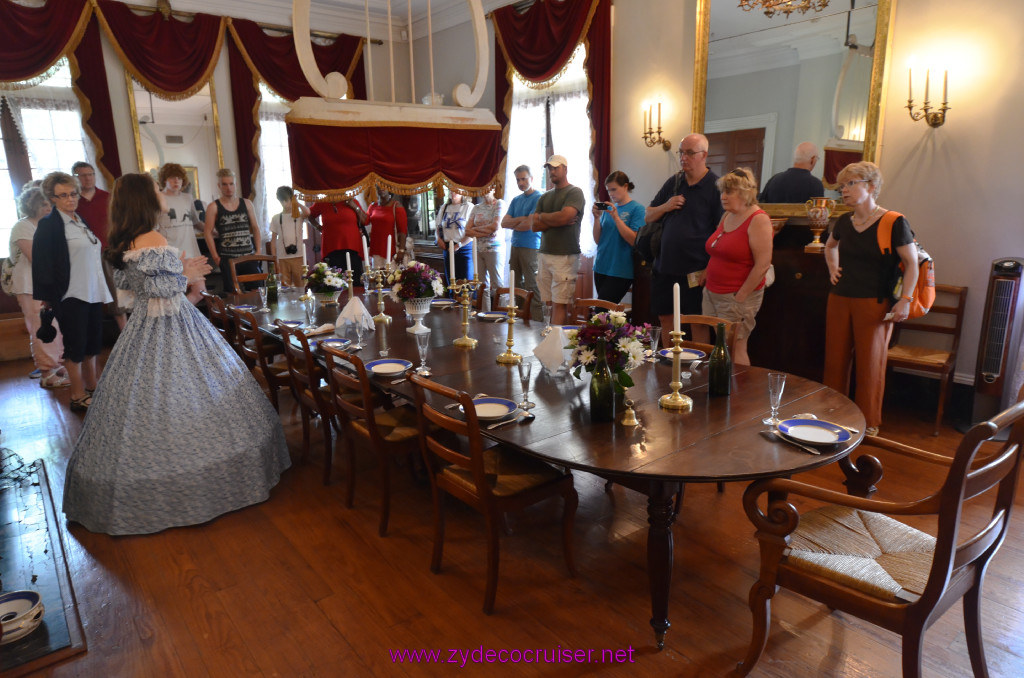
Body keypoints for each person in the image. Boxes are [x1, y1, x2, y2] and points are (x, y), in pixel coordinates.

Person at [61, 172, 290, 535]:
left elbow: (144, 298)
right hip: (172, 330)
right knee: (189, 397)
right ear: (145, 199)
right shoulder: (153, 238)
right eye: (155, 188)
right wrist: (186, 275)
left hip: (142, 331)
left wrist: (185, 280)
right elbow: (168, 300)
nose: (161, 193)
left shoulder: (126, 241)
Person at [823, 161, 918, 437]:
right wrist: (833, 268)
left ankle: (869, 421)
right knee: (835, 360)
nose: (844, 191)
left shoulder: (894, 221)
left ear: (872, 186)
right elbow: (830, 247)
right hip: (840, 298)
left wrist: (906, 300)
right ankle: (832, 413)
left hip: (875, 301)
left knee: (870, 362)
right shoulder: (843, 221)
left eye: (851, 184)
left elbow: (911, 263)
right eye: (842, 186)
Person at [32, 171, 113, 412]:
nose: (70, 199)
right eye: (63, 195)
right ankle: (77, 395)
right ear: (52, 198)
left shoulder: (80, 220)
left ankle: (93, 386)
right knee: (76, 345)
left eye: (73, 193)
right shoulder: (49, 226)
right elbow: (42, 263)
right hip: (69, 295)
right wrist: (49, 298)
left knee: (93, 343)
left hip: (93, 291)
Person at [646, 134, 723, 344]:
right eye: (681, 152)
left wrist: (710, 268)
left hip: (696, 269)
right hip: (665, 265)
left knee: (696, 321)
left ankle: (699, 373)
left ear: (704, 155)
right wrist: (666, 206)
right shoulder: (674, 182)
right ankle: (667, 367)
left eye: (690, 153)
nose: (683, 157)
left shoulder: (715, 186)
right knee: (665, 318)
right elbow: (648, 215)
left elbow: (722, 231)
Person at [701, 168, 773, 365]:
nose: (723, 197)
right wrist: (707, 274)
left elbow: (762, 265)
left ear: (744, 192)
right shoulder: (727, 216)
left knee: (736, 347)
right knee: (723, 345)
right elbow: (717, 247)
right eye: (722, 191)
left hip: (737, 296)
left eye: (729, 192)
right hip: (713, 292)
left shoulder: (758, 219)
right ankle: (726, 389)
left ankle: (741, 393)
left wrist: (740, 297)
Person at [9, 186, 67, 388]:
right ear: (32, 206)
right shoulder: (23, 226)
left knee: (56, 326)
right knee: (42, 327)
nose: (48, 207)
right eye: (44, 204)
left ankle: (56, 363)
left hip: (48, 283)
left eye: (49, 203)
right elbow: (36, 257)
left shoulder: (48, 225)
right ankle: (46, 371)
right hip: (29, 284)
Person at [530, 155, 585, 325]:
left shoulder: (574, 192)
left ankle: (555, 346)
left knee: (559, 303)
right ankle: (550, 340)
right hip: (545, 253)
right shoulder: (545, 196)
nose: (552, 171)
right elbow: (534, 226)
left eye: (556, 168)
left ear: (565, 169)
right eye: (549, 168)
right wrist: (557, 220)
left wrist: (543, 217)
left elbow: (565, 217)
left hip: (565, 255)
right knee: (548, 303)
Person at [73, 160, 126, 331]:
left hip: (108, 252)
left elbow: (120, 222)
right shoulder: (72, 201)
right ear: (76, 178)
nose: (87, 178)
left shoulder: (108, 197)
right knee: (90, 296)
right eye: (83, 175)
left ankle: (125, 335)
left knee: (116, 296)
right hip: (84, 256)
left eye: (90, 174)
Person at [203, 168, 262, 295]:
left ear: (235, 184)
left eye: (231, 184)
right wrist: (215, 257)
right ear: (219, 186)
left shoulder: (247, 204)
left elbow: (256, 228)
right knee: (232, 295)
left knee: (256, 291)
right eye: (224, 184)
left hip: (248, 256)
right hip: (227, 258)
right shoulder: (213, 207)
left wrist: (258, 251)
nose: (228, 187)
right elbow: (207, 232)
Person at [591, 170, 646, 304]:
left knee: (601, 310)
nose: (611, 194)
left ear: (625, 186)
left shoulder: (637, 209)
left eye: (614, 189)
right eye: (609, 190)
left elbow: (634, 240)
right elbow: (598, 240)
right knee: (605, 315)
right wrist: (597, 219)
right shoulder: (609, 209)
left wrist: (616, 218)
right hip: (601, 266)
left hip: (621, 269)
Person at [157, 163, 206, 296]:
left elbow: (196, 222)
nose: (176, 181)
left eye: (179, 178)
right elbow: (153, 228)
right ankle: (178, 316)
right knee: (176, 294)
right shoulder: (158, 199)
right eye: (172, 178)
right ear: (164, 180)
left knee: (200, 292)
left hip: (192, 253)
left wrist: (213, 231)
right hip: (171, 255)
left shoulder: (187, 198)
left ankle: (183, 316)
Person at [500, 165, 543, 320]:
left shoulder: (539, 197)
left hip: (531, 247)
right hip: (515, 246)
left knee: (532, 286)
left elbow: (529, 225)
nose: (521, 183)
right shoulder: (516, 200)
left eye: (524, 179)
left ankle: (539, 323)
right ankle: (518, 320)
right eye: (518, 180)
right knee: (516, 286)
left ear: (531, 178)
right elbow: (504, 223)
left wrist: (517, 222)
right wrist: (522, 219)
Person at [308, 196, 367, 283]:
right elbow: (309, 215)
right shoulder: (322, 202)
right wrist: (318, 227)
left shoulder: (352, 201)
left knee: (356, 281)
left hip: (353, 249)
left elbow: (365, 221)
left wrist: (354, 206)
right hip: (332, 250)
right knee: (335, 283)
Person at [466, 188, 504, 310]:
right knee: (482, 285)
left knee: (497, 284)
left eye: (486, 187)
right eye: (481, 188)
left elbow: (495, 226)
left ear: (493, 189)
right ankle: (485, 314)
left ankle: (501, 314)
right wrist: (487, 231)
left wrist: (476, 230)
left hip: (494, 249)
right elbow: (467, 230)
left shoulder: (499, 204)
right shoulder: (476, 207)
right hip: (478, 249)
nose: (483, 191)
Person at [269, 186, 310, 287]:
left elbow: (307, 212)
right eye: (282, 201)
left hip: (298, 256)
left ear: (291, 199)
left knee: (301, 285)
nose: (284, 204)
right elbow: (273, 241)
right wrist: (275, 259)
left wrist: (297, 202)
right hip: (282, 257)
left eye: (286, 200)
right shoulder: (276, 218)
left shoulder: (298, 215)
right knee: (284, 286)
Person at [759, 142, 825, 203]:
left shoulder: (774, 179)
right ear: (812, 160)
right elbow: (817, 213)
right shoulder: (816, 184)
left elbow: (762, 204)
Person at [435, 190, 473, 286]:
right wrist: (438, 239)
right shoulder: (444, 207)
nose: (453, 193)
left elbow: (472, 231)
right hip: (447, 248)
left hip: (464, 248)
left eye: (456, 190)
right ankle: (453, 300)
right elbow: (438, 227)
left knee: (466, 282)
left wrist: (459, 245)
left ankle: (466, 300)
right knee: (451, 282)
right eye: (451, 190)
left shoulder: (469, 207)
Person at [367, 185, 407, 269]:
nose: (381, 189)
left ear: (389, 188)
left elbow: (402, 230)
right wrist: (354, 205)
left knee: (391, 279)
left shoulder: (396, 206)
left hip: (391, 249)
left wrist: (401, 250)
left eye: (384, 186)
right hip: (376, 248)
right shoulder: (372, 206)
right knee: (378, 279)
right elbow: (365, 221)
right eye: (379, 187)